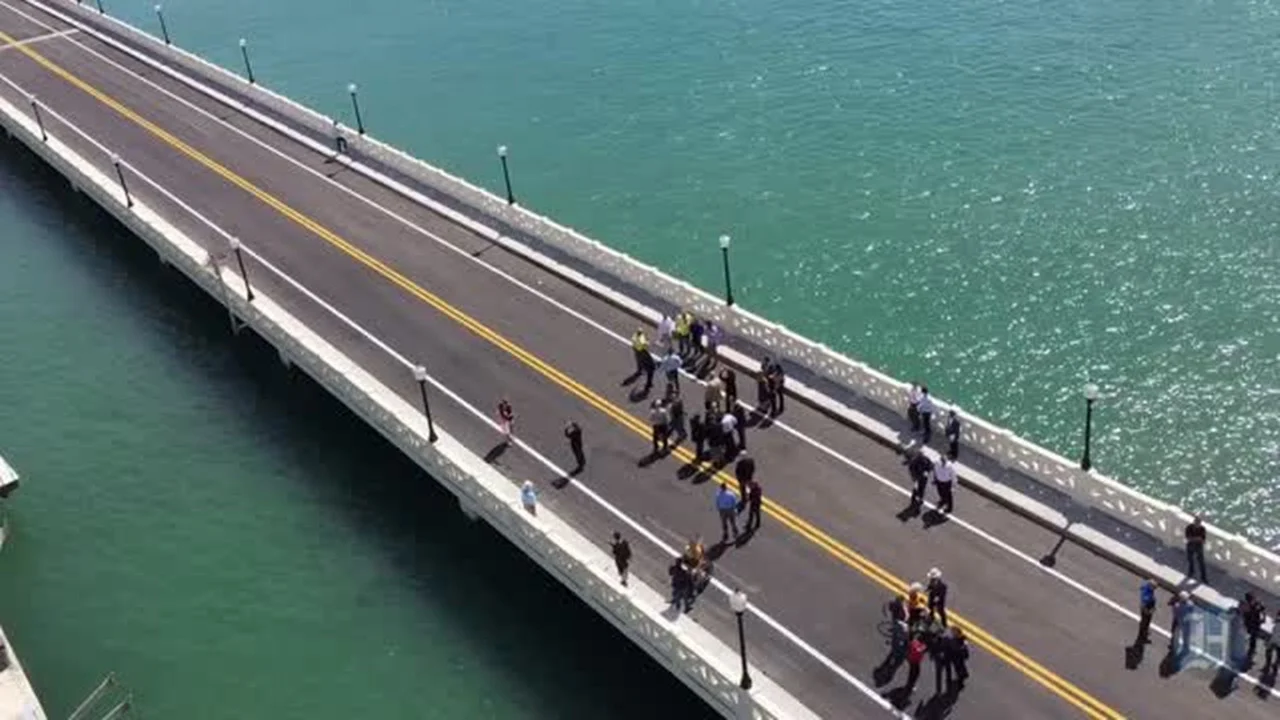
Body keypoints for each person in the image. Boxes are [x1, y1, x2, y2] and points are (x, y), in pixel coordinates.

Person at [1240, 592, 1266, 663]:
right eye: (1253, 599)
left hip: (1255, 623)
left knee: (1253, 637)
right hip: (1249, 623)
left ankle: (1252, 649)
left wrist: (1263, 618)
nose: (1254, 600)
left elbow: (1263, 610)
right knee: (1249, 635)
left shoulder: (1257, 604)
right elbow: (1242, 613)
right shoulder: (1245, 605)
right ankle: (1249, 648)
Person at [1184, 515, 1208, 583]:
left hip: (1198, 547)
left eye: (1198, 523)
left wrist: (1194, 539)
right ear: (1194, 522)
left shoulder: (1202, 529)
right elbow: (1188, 538)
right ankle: (1191, 572)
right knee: (1190, 560)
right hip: (1190, 546)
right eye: (1196, 522)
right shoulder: (1189, 527)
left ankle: (1203, 577)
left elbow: (1203, 540)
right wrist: (1197, 539)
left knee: (1201, 563)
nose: (1197, 524)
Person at [1136, 578, 1157, 645]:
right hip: (1146, 610)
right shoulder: (1147, 595)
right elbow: (1143, 605)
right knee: (1145, 622)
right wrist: (1148, 612)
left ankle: (1144, 631)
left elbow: (1142, 587)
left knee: (1145, 622)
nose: (1154, 589)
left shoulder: (1146, 587)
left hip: (1148, 608)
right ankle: (1143, 636)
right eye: (1154, 587)